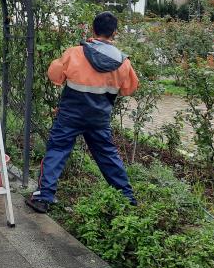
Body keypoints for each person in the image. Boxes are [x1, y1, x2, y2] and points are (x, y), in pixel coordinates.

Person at [26, 12, 139, 214]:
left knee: (57, 150)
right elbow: (129, 88)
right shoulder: (123, 62)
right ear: (114, 32)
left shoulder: (75, 53)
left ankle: (44, 197)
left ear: (92, 29)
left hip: (71, 114)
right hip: (99, 118)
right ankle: (127, 198)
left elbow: (55, 75)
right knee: (107, 155)